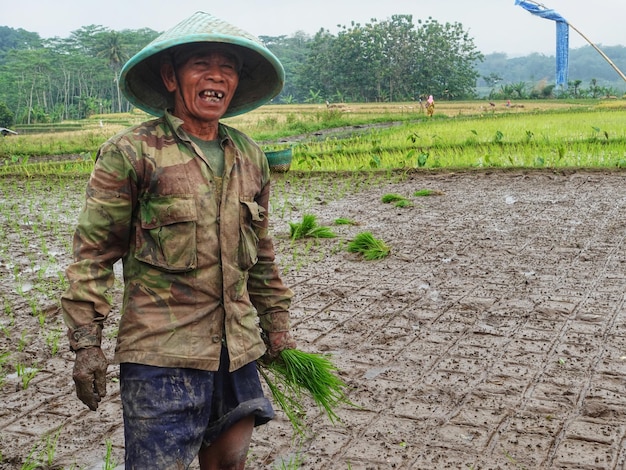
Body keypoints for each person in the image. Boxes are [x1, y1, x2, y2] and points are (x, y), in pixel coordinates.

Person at [61, 11, 296, 469]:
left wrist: (277, 323)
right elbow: (93, 253)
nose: (216, 76)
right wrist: (87, 345)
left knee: (230, 459)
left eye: (227, 66)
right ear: (170, 76)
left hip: (236, 346)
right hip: (161, 352)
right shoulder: (132, 153)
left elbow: (261, 253)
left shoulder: (249, 156)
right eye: (200, 64)